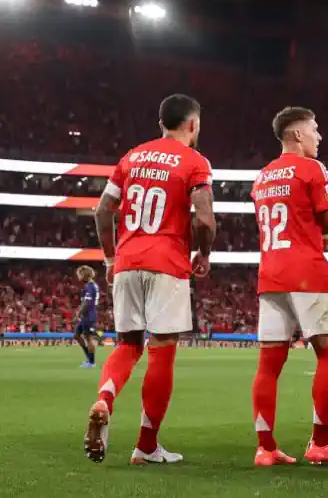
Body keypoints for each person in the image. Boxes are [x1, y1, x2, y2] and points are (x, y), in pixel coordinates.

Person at [85, 94, 216, 465]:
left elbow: (102, 211)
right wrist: (203, 254)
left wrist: (111, 259)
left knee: (127, 345)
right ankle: (146, 445)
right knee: (162, 350)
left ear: (161, 123)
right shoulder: (194, 161)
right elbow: (205, 219)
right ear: (192, 124)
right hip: (167, 263)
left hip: (127, 260)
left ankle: (105, 398)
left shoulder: (132, 156)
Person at [249, 107, 328, 466]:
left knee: (269, 365)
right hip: (306, 274)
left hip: (271, 274)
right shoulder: (310, 169)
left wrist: (320, 240)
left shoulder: (262, 177)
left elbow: (289, 225)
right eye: (315, 129)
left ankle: (265, 447)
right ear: (296, 135)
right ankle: (321, 442)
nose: (319, 137)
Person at [74, 266, 101, 368]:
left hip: (88, 315)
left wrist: (78, 313)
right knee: (77, 335)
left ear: (84, 274)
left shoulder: (90, 286)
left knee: (88, 338)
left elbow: (87, 302)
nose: (78, 276)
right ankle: (89, 359)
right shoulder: (91, 285)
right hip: (87, 315)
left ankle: (91, 362)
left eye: (79, 274)